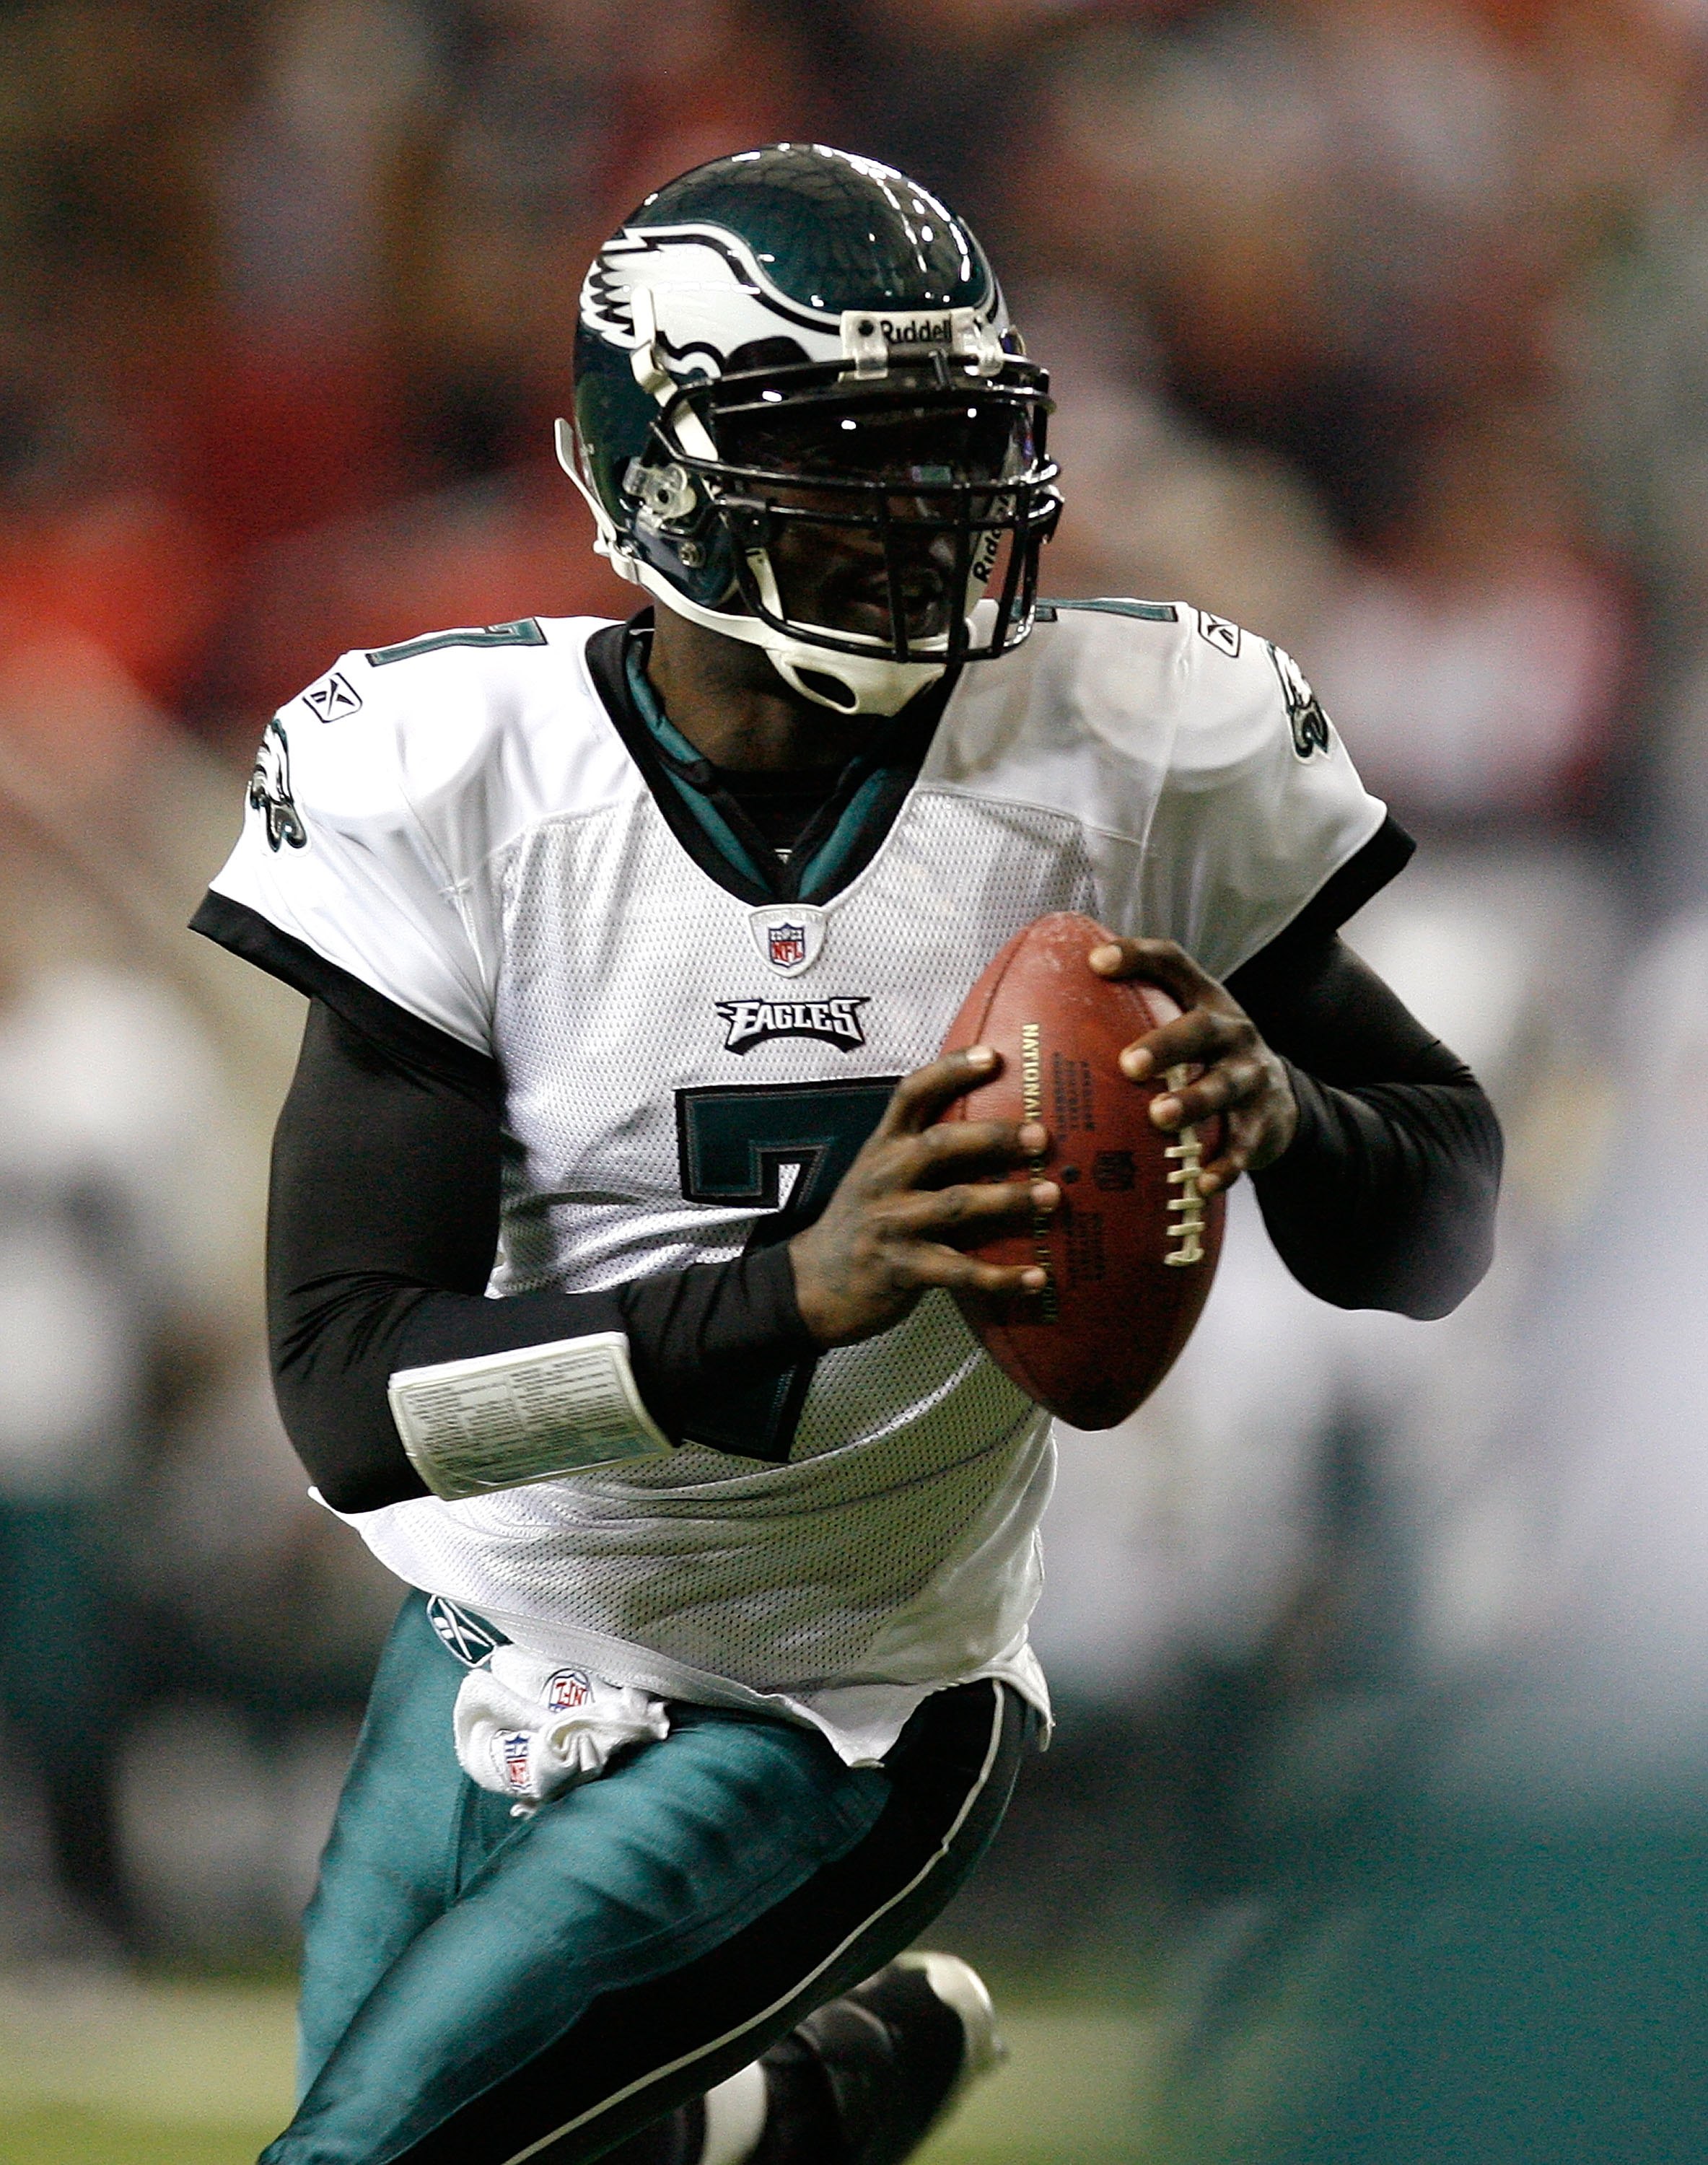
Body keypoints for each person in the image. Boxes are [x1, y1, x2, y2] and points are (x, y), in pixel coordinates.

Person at [192, 144, 1500, 2165]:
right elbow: (354, 1404)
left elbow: (1438, 1215)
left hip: (839, 1714)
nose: (924, 517)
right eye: (848, 455)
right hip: (481, 1642)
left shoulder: (1134, 742)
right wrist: (793, 1291)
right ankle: (790, 2121)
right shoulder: (460, 783)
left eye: (953, 447)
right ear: (658, 477)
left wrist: (1291, 1116)